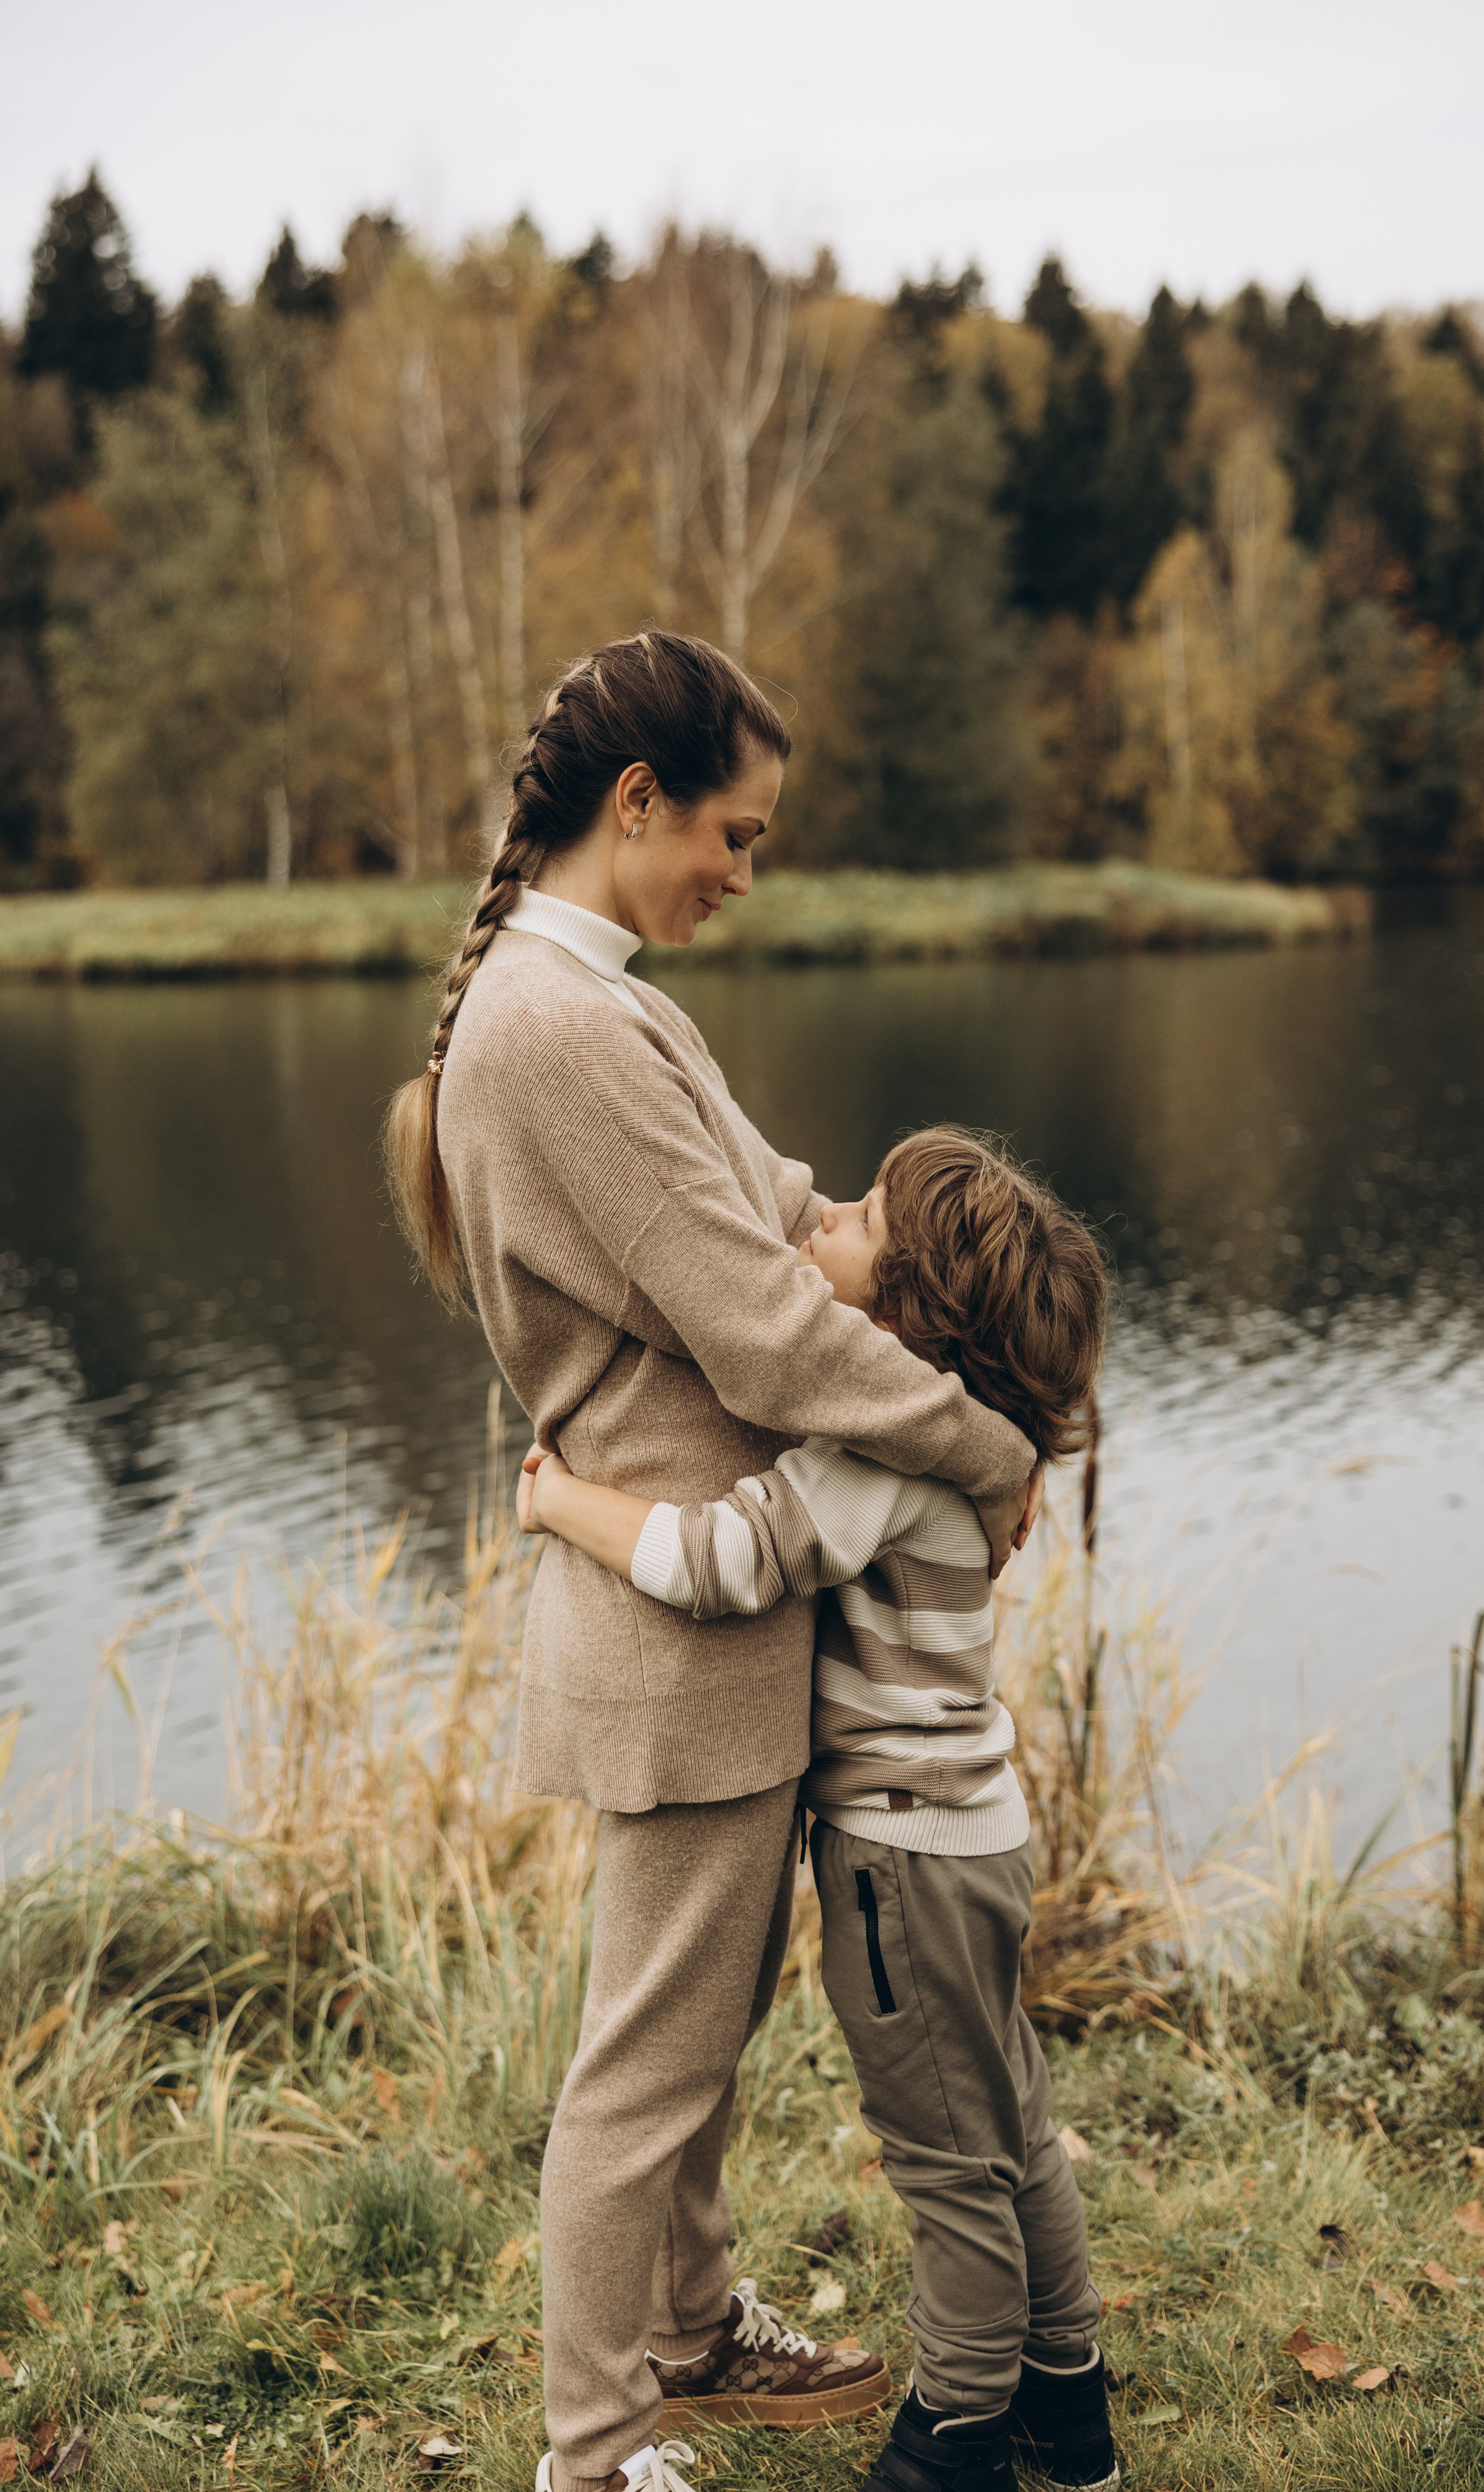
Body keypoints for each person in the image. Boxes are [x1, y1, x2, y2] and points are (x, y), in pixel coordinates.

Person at [382, 633, 1039, 2492]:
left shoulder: (608, 1001)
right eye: (731, 833)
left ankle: (686, 2329)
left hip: (720, 1636)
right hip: (682, 1639)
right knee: (642, 2076)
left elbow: (775, 1214)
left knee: (696, 2034)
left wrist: (891, 1271)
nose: (745, 871)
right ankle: (593, 2456)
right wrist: (980, 1440)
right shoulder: (561, 1030)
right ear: (637, 800)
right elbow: (761, 1334)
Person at [518, 1126, 1120, 2492]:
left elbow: (718, 1560)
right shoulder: (974, 1450)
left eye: (852, 1219)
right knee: (1008, 2115)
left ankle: (957, 2430)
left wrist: (565, 1502)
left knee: (943, 2152)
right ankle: (1062, 2397)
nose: (820, 1217)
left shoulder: (879, 1464)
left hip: (894, 1863)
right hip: (977, 1836)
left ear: (907, 1314)